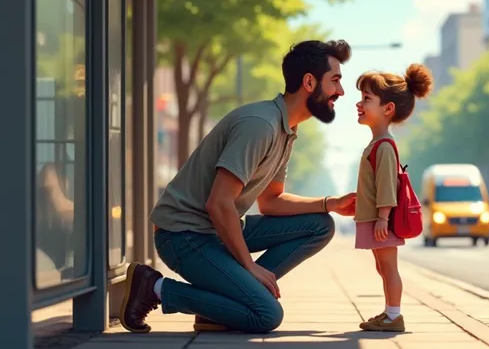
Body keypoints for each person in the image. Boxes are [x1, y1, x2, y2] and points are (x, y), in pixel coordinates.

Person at [120, 40, 358, 334]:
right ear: (309, 82)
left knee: (321, 225)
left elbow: (271, 201)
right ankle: (154, 286)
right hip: (182, 235)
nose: (341, 92)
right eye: (335, 81)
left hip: (214, 231)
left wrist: (329, 203)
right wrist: (248, 265)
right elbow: (218, 203)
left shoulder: (286, 129)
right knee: (266, 314)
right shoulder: (261, 125)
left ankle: (223, 305)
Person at [352, 64, 433, 332]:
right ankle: (389, 313)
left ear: (388, 109)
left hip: (380, 220)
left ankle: (394, 316)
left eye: (367, 99)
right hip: (374, 217)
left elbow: (387, 186)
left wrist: (382, 218)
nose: (359, 104)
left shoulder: (384, 145)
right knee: (382, 267)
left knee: (388, 268)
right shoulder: (377, 144)